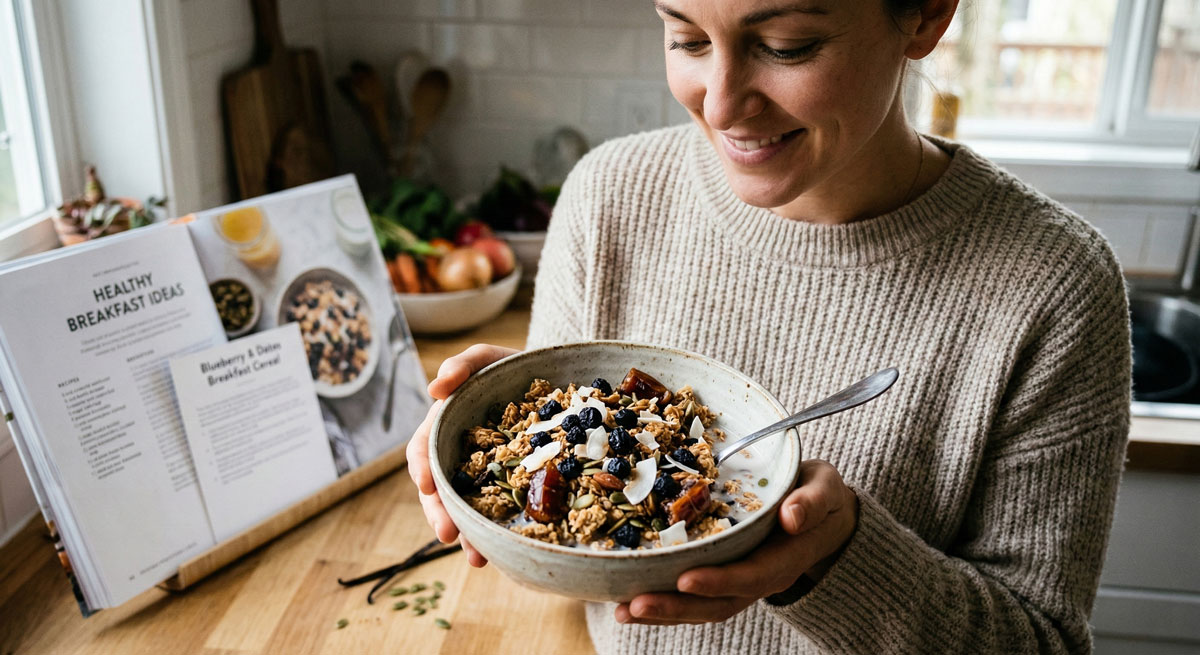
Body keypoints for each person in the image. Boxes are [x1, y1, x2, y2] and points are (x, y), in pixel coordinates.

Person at [407, 0, 1131, 652]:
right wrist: (507, 445)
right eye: (686, 38)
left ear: (927, 14)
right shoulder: (608, 198)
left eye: (786, 46)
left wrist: (837, 557)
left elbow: (1040, 643)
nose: (721, 104)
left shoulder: (1053, 286)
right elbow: (582, 547)